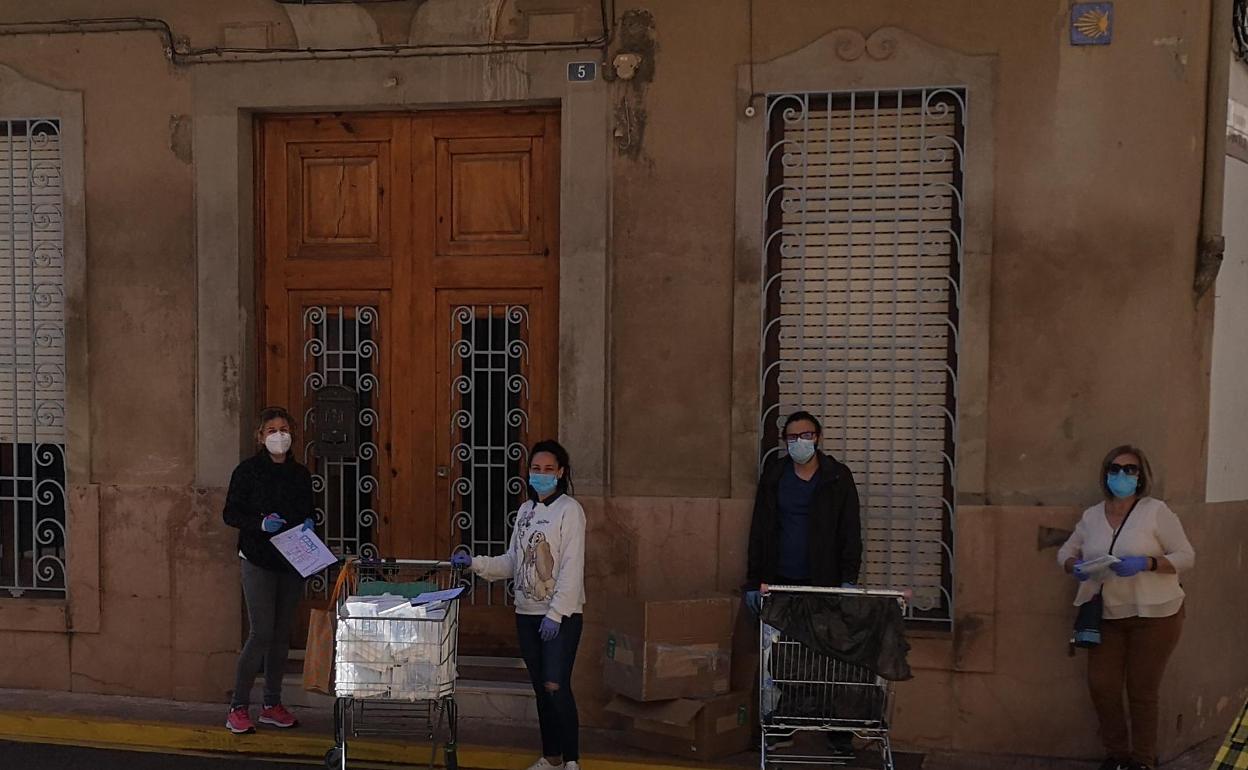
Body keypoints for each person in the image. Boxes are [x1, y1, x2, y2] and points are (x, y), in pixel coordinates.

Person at [1058, 445, 1195, 770]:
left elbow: (1186, 556)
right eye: (1115, 468)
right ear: (1106, 474)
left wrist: (1146, 562)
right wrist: (1073, 565)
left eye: (1130, 470)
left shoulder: (1155, 511)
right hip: (1107, 616)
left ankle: (1142, 761)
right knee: (1102, 687)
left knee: (1142, 691)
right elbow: (1066, 550)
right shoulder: (1092, 516)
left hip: (1156, 616)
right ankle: (1117, 755)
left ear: (1141, 476)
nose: (1122, 475)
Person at [451, 440, 586, 770]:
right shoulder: (525, 512)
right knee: (541, 689)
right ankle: (550, 756)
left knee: (556, 686)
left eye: (549, 469)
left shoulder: (570, 510)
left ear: (561, 472)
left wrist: (555, 614)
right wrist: (476, 564)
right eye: (536, 469)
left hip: (559, 617)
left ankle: (571, 760)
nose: (541, 475)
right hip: (526, 614)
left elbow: (571, 566)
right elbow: (514, 561)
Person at [744, 410, 863, 754]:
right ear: (785, 443)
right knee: (783, 659)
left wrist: (847, 580)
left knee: (830, 659)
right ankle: (782, 725)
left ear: (818, 437)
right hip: (781, 583)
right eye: (792, 438)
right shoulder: (775, 476)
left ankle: (838, 732)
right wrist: (754, 581)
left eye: (806, 435)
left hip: (822, 585)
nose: (799, 443)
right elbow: (760, 530)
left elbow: (850, 532)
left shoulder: (837, 477)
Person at [222, 406, 316, 735]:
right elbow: (230, 513)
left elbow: (309, 510)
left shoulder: (300, 474)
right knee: (261, 633)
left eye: (284, 429)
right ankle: (238, 706)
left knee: (280, 636)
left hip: (291, 562)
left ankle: (272, 704)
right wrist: (261, 523)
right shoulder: (247, 472)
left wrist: (309, 523)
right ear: (261, 437)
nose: (280, 435)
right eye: (272, 430)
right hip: (258, 558)